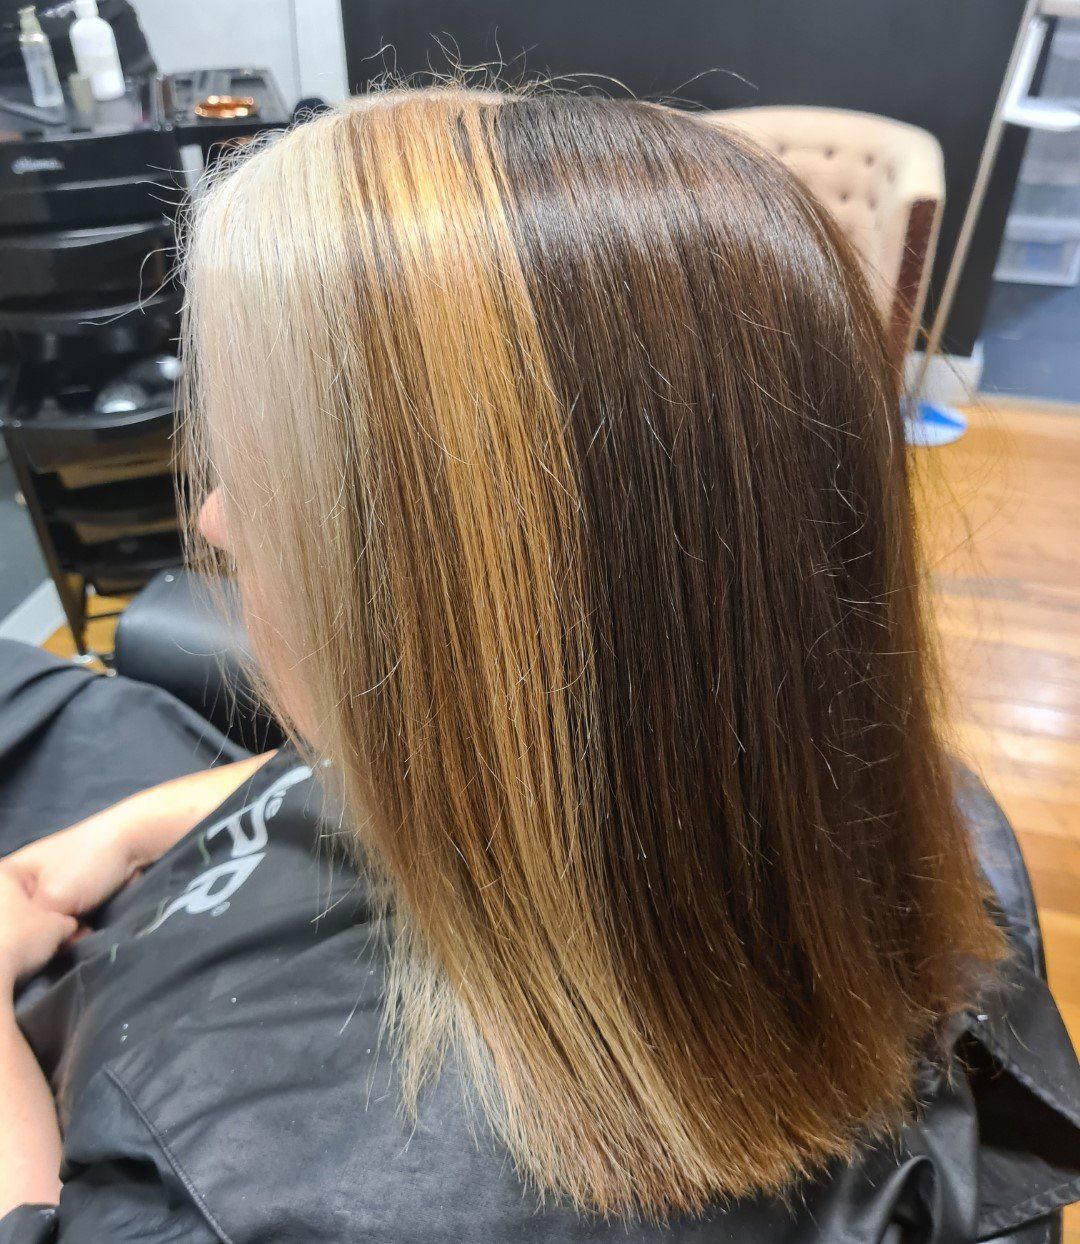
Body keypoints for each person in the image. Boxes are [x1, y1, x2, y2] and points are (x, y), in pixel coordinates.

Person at [0, 87, 1077, 1241]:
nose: (215, 517)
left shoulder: (267, 1207)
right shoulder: (917, 807)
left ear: (459, 630)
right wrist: (113, 838)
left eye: (276, 485)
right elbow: (357, 767)